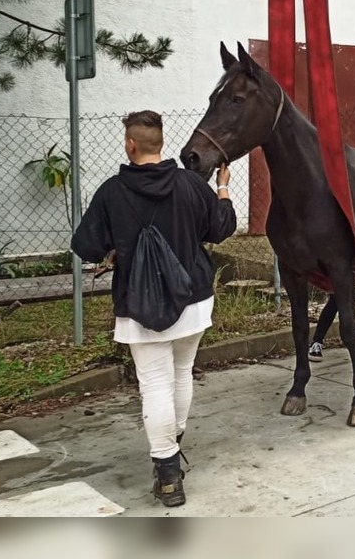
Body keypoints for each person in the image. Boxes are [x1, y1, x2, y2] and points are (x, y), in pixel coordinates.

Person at [72, 110, 236, 508]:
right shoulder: (190, 185)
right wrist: (224, 189)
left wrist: (116, 247)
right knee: (181, 373)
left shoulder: (111, 192)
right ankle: (171, 449)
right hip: (193, 298)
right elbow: (221, 228)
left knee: (154, 385)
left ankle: (167, 476)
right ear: (161, 143)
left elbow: (86, 246)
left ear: (130, 144)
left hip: (138, 304)